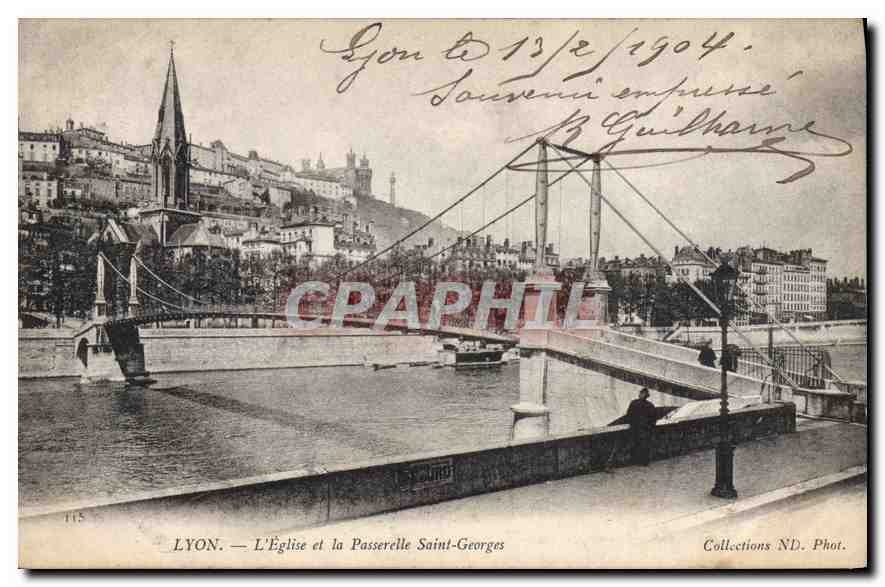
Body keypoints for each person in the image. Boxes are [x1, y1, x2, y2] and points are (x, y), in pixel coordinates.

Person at [625, 387, 657, 466]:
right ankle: (644, 461)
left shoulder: (634, 403)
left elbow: (628, 414)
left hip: (636, 427)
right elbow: (654, 418)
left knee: (636, 444)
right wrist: (651, 427)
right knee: (644, 445)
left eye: (641, 393)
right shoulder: (650, 405)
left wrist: (631, 423)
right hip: (645, 428)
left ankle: (636, 461)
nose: (640, 395)